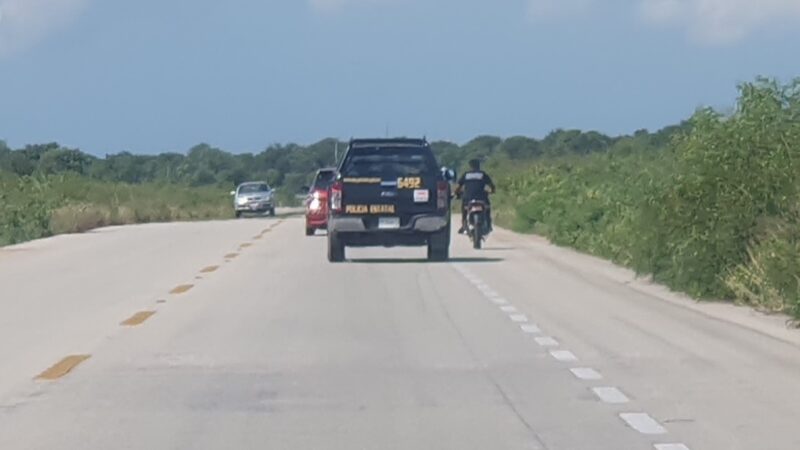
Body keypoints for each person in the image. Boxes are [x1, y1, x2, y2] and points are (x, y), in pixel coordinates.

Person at [455, 159, 496, 234]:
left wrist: (457, 194)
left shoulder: (466, 174)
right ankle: (489, 225)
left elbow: (458, 187)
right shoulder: (483, 174)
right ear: (479, 165)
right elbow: (492, 185)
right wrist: (492, 191)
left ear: (470, 166)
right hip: (482, 197)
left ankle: (463, 226)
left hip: (468, 197)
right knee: (487, 209)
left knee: (464, 210)